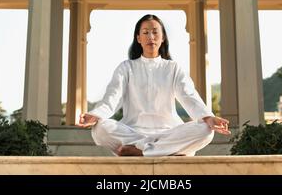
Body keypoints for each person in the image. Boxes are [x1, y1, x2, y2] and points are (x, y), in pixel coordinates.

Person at [78, 14, 230, 157]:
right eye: (145, 32)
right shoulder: (126, 67)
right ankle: (164, 150)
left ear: (163, 37)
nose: (151, 37)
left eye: (155, 32)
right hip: (133, 132)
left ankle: (141, 150)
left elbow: (189, 95)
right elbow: (113, 96)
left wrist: (208, 117)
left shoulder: (172, 68)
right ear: (138, 38)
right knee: (99, 128)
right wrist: (96, 114)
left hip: (169, 132)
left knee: (206, 130)